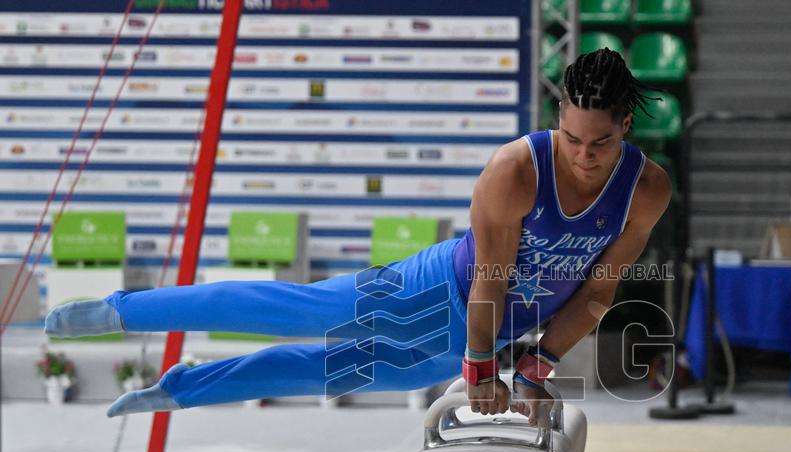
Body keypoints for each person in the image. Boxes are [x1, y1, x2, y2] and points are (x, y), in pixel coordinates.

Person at [43, 48, 672, 424]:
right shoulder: (516, 170)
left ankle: (182, 389)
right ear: (556, 121)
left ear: (627, 124)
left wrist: (537, 367)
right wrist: (483, 367)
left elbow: (597, 291)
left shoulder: (645, 190)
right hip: (436, 291)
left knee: (326, 372)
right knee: (291, 312)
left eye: (602, 143)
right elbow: (491, 275)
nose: (585, 157)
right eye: (572, 139)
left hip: (494, 328)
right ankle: (119, 310)